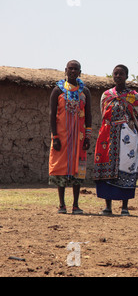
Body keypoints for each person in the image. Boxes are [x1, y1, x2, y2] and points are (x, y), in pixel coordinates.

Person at [93, 65, 138, 216]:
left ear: (127, 76)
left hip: (126, 137)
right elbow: (103, 114)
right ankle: (107, 207)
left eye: (121, 74)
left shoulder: (134, 96)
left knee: (126, 168)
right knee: (105, 168)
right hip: (107, 135)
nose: (118, 76)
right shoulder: (106, 95)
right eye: (116, 73)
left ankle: (124, 207)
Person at [49, 60, 92, 214]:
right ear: (65, 70)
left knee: (77, 169)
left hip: (78, 138)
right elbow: (52, 115)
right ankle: (62, 204)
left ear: (80, 72)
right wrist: (55, 137)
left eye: (76, 69)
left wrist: (87, 137)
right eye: (70, 69)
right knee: (61, 167)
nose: (73, 71)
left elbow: (89, 116)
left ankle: (75, 204)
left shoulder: (85, 92)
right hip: (61, 136)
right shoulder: (57, 91)